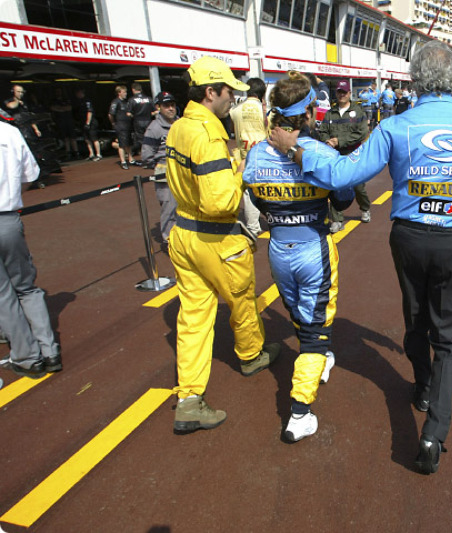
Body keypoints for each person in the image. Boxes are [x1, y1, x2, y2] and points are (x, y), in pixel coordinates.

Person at [269, 40, 452, 475]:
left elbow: (344, 173)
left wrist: (293, 149)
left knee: (416, 319)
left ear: (414, 80)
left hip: (411, 238)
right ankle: (433, 432)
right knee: (450, 339)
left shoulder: (395, 126)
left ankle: (422, 387)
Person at [165, 56, 281, 434]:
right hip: (215, 237)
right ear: (211, 92)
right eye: (228, 90)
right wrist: (240, 172)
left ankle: (188, 399)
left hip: (184, 234)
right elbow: (221, 203)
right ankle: (251, 355)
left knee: (193, 317)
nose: (233, 97)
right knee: (241, 299)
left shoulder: (179, 127)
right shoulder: (208, 135)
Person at [243, 72, 354, 442]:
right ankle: (299, 413)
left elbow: (257, 198)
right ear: (307, 111)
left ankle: (319, 358)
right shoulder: (320, 152)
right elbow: (343, 199)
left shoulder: (256, 152)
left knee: (301, 316)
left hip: (278, 249)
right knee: (314, 335)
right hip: (313, 249)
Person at [0, 121, 62, 378]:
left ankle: (27, 356)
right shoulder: (9, 131)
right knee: (26, 286)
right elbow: (30, 175)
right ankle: (49, 351)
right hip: (9, 218)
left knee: (3, 295)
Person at [318, 80, 371, 229]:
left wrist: (339, 141)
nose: (341, 95)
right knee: (336, 186)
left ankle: (365, 208)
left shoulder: (358, 112)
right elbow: (322, 131)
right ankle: (337, 219)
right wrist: (327, 142)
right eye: (339, 92)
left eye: (344, 92)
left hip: (354, 154)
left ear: (349, 93)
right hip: (335, 155)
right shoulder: (330, 113)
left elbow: (362, 133)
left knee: (358, 187)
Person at [229, 77, 269, 236]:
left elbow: (232, 129)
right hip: (263, 154)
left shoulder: (235, 109)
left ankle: (253, 226)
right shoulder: (265, 109)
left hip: (243, 154)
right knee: (267, 189)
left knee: (247, 192)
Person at [142, 91, 179, 245]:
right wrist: (161, 167)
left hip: (182, 172)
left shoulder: (180, 123)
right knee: (168, 207)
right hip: (165, 173)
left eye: (172, 105)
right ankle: (169, 240)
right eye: (166, 106)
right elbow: (147, 156)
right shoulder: (154, 128)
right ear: (158, 107)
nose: (170, 108)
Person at [108, 85, 135, 169]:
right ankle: (123, 161)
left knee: (128, 143)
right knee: (122, 144)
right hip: (120, 125)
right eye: (124, 92)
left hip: (127, 125)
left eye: (126, 92)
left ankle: (131, 159)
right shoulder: (116, 102)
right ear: (119, 93)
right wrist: (113, 123)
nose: (126, 94)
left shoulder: (126, 102)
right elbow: (110, 114)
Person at [128, 82, 155, 162]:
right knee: (150, 138)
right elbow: (156, 111)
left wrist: (134, 116)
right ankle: (151, 156)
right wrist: (149, 114)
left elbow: (129, 113)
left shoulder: (132, 100)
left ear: (133, 90)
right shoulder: (149, 99)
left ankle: (144, 157)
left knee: (141, 141)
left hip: (138, 121)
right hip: (148, 121)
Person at [50, 87, 79, 160]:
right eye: (57, 92)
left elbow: (69, 108)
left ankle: (76, 152)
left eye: (59, 91)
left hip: (69, 121)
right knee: (65, 138)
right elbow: (53, 108)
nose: (58, 93)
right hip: (60, 121)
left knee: (73, 137)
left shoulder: (66, 99)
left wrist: (60, 109)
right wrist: (62, 109)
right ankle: (68, 153)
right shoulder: (54, 100)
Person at [75, 88, 101, 161]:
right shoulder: (79, 101)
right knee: (86, 139)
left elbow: (90, 112)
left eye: (78, 93)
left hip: (91, 122)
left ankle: (98, 154)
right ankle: (91, 153)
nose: (77, 95)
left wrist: (88, 123)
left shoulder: (87, 101)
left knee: (94, 138)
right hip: (83, 122)